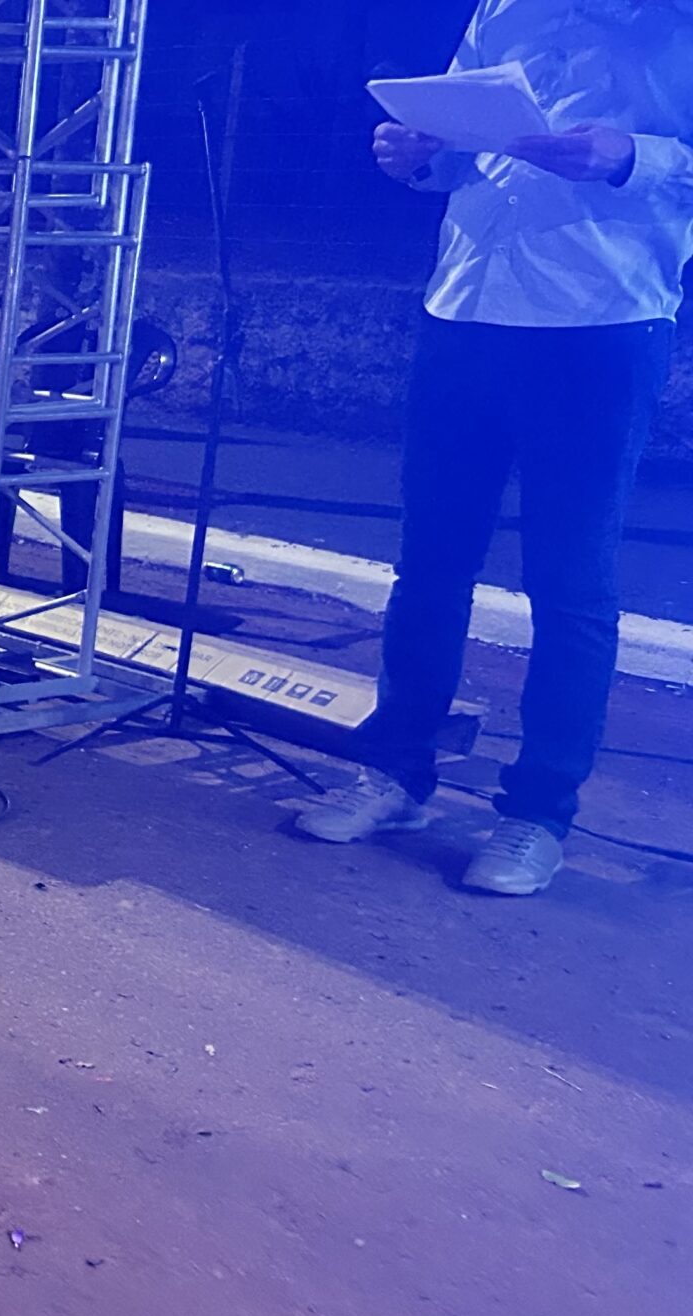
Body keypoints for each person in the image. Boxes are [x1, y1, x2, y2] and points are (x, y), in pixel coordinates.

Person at [296, 2, 693, 896]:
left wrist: (631, 156)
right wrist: (416, 157)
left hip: (600, 321)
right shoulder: (506, 9)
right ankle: (396, 773)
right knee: (430, 564)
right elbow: (460, 149)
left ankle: (536, 816)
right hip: (464, 307)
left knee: (570, 582)